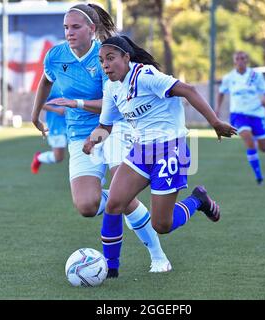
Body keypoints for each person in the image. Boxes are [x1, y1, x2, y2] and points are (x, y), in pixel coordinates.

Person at [31, 4, 170, 278]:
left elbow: (112, 104)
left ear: (92, 30)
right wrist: (35, 115)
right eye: (66, 28)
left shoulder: (105, 55)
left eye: (75, 27)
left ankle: (159, 257)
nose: (69, 33)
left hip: (115, 127)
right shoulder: (56, 56)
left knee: (121, 192)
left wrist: (76, 102)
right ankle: (119, 198)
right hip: (78, 135)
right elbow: (45, 82)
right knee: (87, 206)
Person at [83, 36, 237, 248]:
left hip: (170, 149)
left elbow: (188, 90)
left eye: (110, 58)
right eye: (102, 61)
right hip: (140, 151)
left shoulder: (145, 76)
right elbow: (106, 126)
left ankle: (198, 200)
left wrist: (215, 122)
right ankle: (110, 270)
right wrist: (92, 140)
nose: (105, 65)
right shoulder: (112, 88)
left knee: (162, 225)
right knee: (114, 204)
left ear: (126, 57)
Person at [215, 51, 265, 185]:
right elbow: (221, 93)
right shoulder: (229, 78)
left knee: (264, 148)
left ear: (247, 61)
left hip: (257, 114)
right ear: (234, 61)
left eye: (243, 58)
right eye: (237, 58)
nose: (240, 61)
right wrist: (217, 108)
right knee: (248, 140)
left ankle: (255, 143)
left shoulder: (255, 75)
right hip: (238, 115)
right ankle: (259, 176)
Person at [30, 83, 67, 174]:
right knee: (58, 157)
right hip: (56, 125)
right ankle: (38, 158)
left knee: (83, 151)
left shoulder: (70, 79)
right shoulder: (50, 84)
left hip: (74, 124)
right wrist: (56, 110)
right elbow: (39, 104)